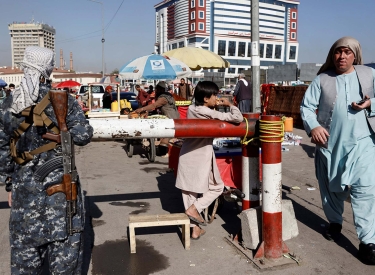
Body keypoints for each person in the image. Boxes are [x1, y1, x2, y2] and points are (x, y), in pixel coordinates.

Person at [0, 46, 93, 273]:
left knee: (25, 264)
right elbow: (83, 136)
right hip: (61, 200)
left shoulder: (9, 105)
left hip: (25, 200)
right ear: (48, 70)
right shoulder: (65, 101)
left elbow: (3, 153)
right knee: (65, 265)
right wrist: (64, 129)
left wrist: (10, 184)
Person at [300, 36, 375, 265]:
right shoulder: (322, 79)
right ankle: (335, 222)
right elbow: (307, 107)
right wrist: (313, 127)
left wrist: (371, 103)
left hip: (363, 144)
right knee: (330, 190)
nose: (342, 56)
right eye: (338, 52)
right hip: (330, 146)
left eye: (347, 52)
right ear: (332, 55)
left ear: (355, 55)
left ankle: (368, 242)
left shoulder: (369, 74)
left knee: (365, 190)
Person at [175, 81, 243, 239]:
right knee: (217, 187)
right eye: (215, 95)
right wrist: (230, 104)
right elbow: (237, 117)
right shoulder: (208, 112)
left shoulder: (193, 108)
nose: (218, 97)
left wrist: (214, 106)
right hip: (202, 155)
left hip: (187, 154)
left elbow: (204, 114)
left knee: (189, 193)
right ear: (206, 98)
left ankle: (195, 229)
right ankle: (195, 210)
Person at [134, 81, 180, 150]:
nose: (156, 90)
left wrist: (142, 109)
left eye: (157, 89)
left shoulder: (163, 98)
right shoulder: (168, 95)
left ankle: (164, 147)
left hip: (170, 118)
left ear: (161, 89)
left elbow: (154, 105)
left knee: (166, 136)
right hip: (174, 116)